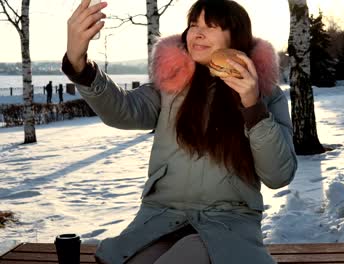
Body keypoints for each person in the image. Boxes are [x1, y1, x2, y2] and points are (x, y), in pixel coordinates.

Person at [63, 0, 297, 263]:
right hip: (161, 217)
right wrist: (79, 64)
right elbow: (123, 110)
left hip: (228, 221)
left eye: (211, 26)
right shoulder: (171, 83)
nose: (197, 33)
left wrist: (253, 106)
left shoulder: (267, 95)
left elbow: (279, 175)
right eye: (194, 25)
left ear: (236, 37)